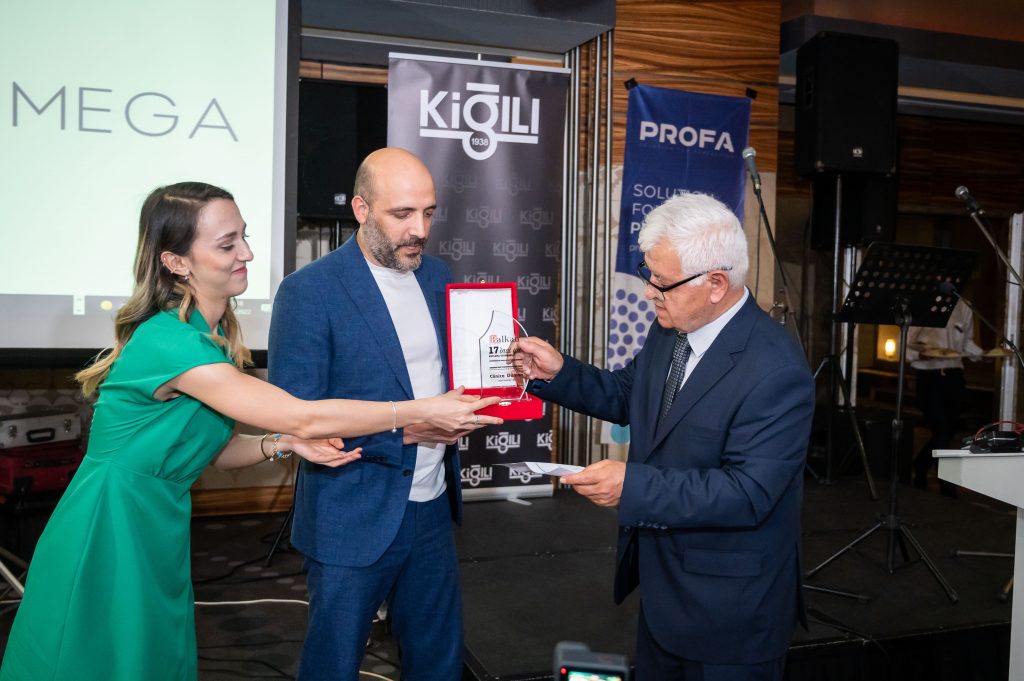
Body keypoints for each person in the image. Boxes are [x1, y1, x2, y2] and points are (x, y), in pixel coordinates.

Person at [0, 182, 499, 681]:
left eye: (244, 237)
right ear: (176, 262)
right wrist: (421, 410)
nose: (247, 254)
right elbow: (303, 414)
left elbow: (211, 451)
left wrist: (283, 444)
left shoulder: (207, 336)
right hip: (109, 523)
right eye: (227, 245)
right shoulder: (169, 342)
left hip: (155, 519)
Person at [512, 192, 815, 681]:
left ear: (716, 284)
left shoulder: (776, 369)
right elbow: (629, 394)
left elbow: (747, 493)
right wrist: (560, 372)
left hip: (731, 618)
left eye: (663, 281)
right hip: (663, 597)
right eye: (648, 273)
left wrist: (631, 485)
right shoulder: (671, 327)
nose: (650, 291)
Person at [268, 147, 486, 680]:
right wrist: (408, 429)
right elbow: (295, 416)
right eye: (402, 214)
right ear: (361, 209)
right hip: (351, 510)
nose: (419, 230)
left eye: (428, 213)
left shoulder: (439, 277)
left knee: (438, 663)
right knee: (333, 666)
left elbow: (452, 376)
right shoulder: (308, 292)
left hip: (432, 507)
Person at [907, 298, 983, 496]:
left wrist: (982, 354)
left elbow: (967, 342)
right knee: (941, 429)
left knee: (948, 430)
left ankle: (921, 464)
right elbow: (905, 343)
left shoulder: (963, 306)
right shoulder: (922, 302)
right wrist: (919, 355)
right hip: (929, 377)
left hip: (953, 376)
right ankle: (947, 484)